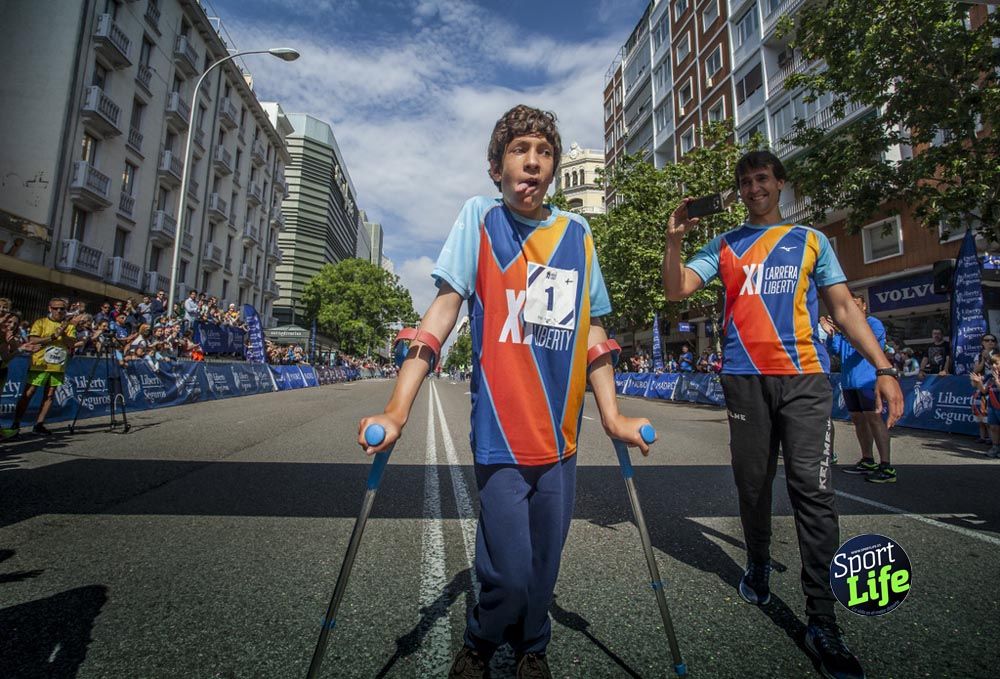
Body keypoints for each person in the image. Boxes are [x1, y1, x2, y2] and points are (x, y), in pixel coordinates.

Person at [358, 105, 651, 679]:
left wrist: (612, 416)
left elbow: (593, 331)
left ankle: (532, 645)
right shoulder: (480, 220)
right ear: (497, 167)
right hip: (500, 437)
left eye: (544, 152)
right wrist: (397, 408)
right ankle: (480, 641)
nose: (534, 162)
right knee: (509, 570)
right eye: (521, 150)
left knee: (544, 569)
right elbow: (442, 313)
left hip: (561, 441)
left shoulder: (577, 233)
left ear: (553, 170)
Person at [661, 150, 903, 679]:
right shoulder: (723, 245)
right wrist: (675, 238)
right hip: (745, 383)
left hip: (805, 382)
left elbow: (841, 308)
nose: (754, 189)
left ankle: (822, 620)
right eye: (745, 183)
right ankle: (757, 561)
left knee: (813, 494)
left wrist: (884, 367)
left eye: (762, 179)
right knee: (752, 487)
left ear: (780, 183)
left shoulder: (812, 239)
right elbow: (677, 289)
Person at [821, 295, 897, 483]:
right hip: (849, 381)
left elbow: (863, 345)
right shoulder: (844, 329)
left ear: (864, 307)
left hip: (868, 380)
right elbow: (835, 351)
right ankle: (867, 459)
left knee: (874, 418)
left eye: (856, 305)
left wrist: (844, 330)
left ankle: (886, 465)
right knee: (857, 420)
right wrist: (831, 334)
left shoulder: (873, 324)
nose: (852, 308)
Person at [3, 297, 78, 437]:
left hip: (58, 365)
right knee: (28, 393)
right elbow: (32, 340)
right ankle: (16, 424)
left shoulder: (70, 326)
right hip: (40, 364)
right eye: (56, 308)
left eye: (62, 309)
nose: (60, 311)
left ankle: (39, 424)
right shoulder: (41, 322)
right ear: (50, 308)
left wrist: (62, 334)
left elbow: (72, 343)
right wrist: (52, 337)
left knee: (49, 395)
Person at [970, 352, 1000, 458]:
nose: (994, 366)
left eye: (996, 363)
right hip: (992, 405)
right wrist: (978, 382)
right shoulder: (990, 376)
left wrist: (997, 381)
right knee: (994, 428)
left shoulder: (995, 378)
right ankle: (995, 447)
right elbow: (983, 390)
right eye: (992, 364)